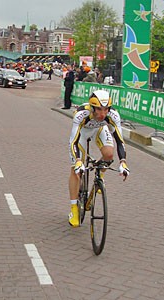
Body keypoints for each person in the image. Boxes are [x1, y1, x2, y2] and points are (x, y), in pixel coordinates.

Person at [68, 90, 130, 227]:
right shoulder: (81, 114)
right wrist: (78, 161)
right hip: (82, 133)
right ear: (92, 107)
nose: (103, 114)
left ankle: (100, 176)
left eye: (106, 109)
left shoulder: (112, 116)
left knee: (109, 154)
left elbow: (119, 140)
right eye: (99, 110)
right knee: (75, 170)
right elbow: (74, 141)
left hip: (100, 130)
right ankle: (73, 209)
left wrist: (123, 162)